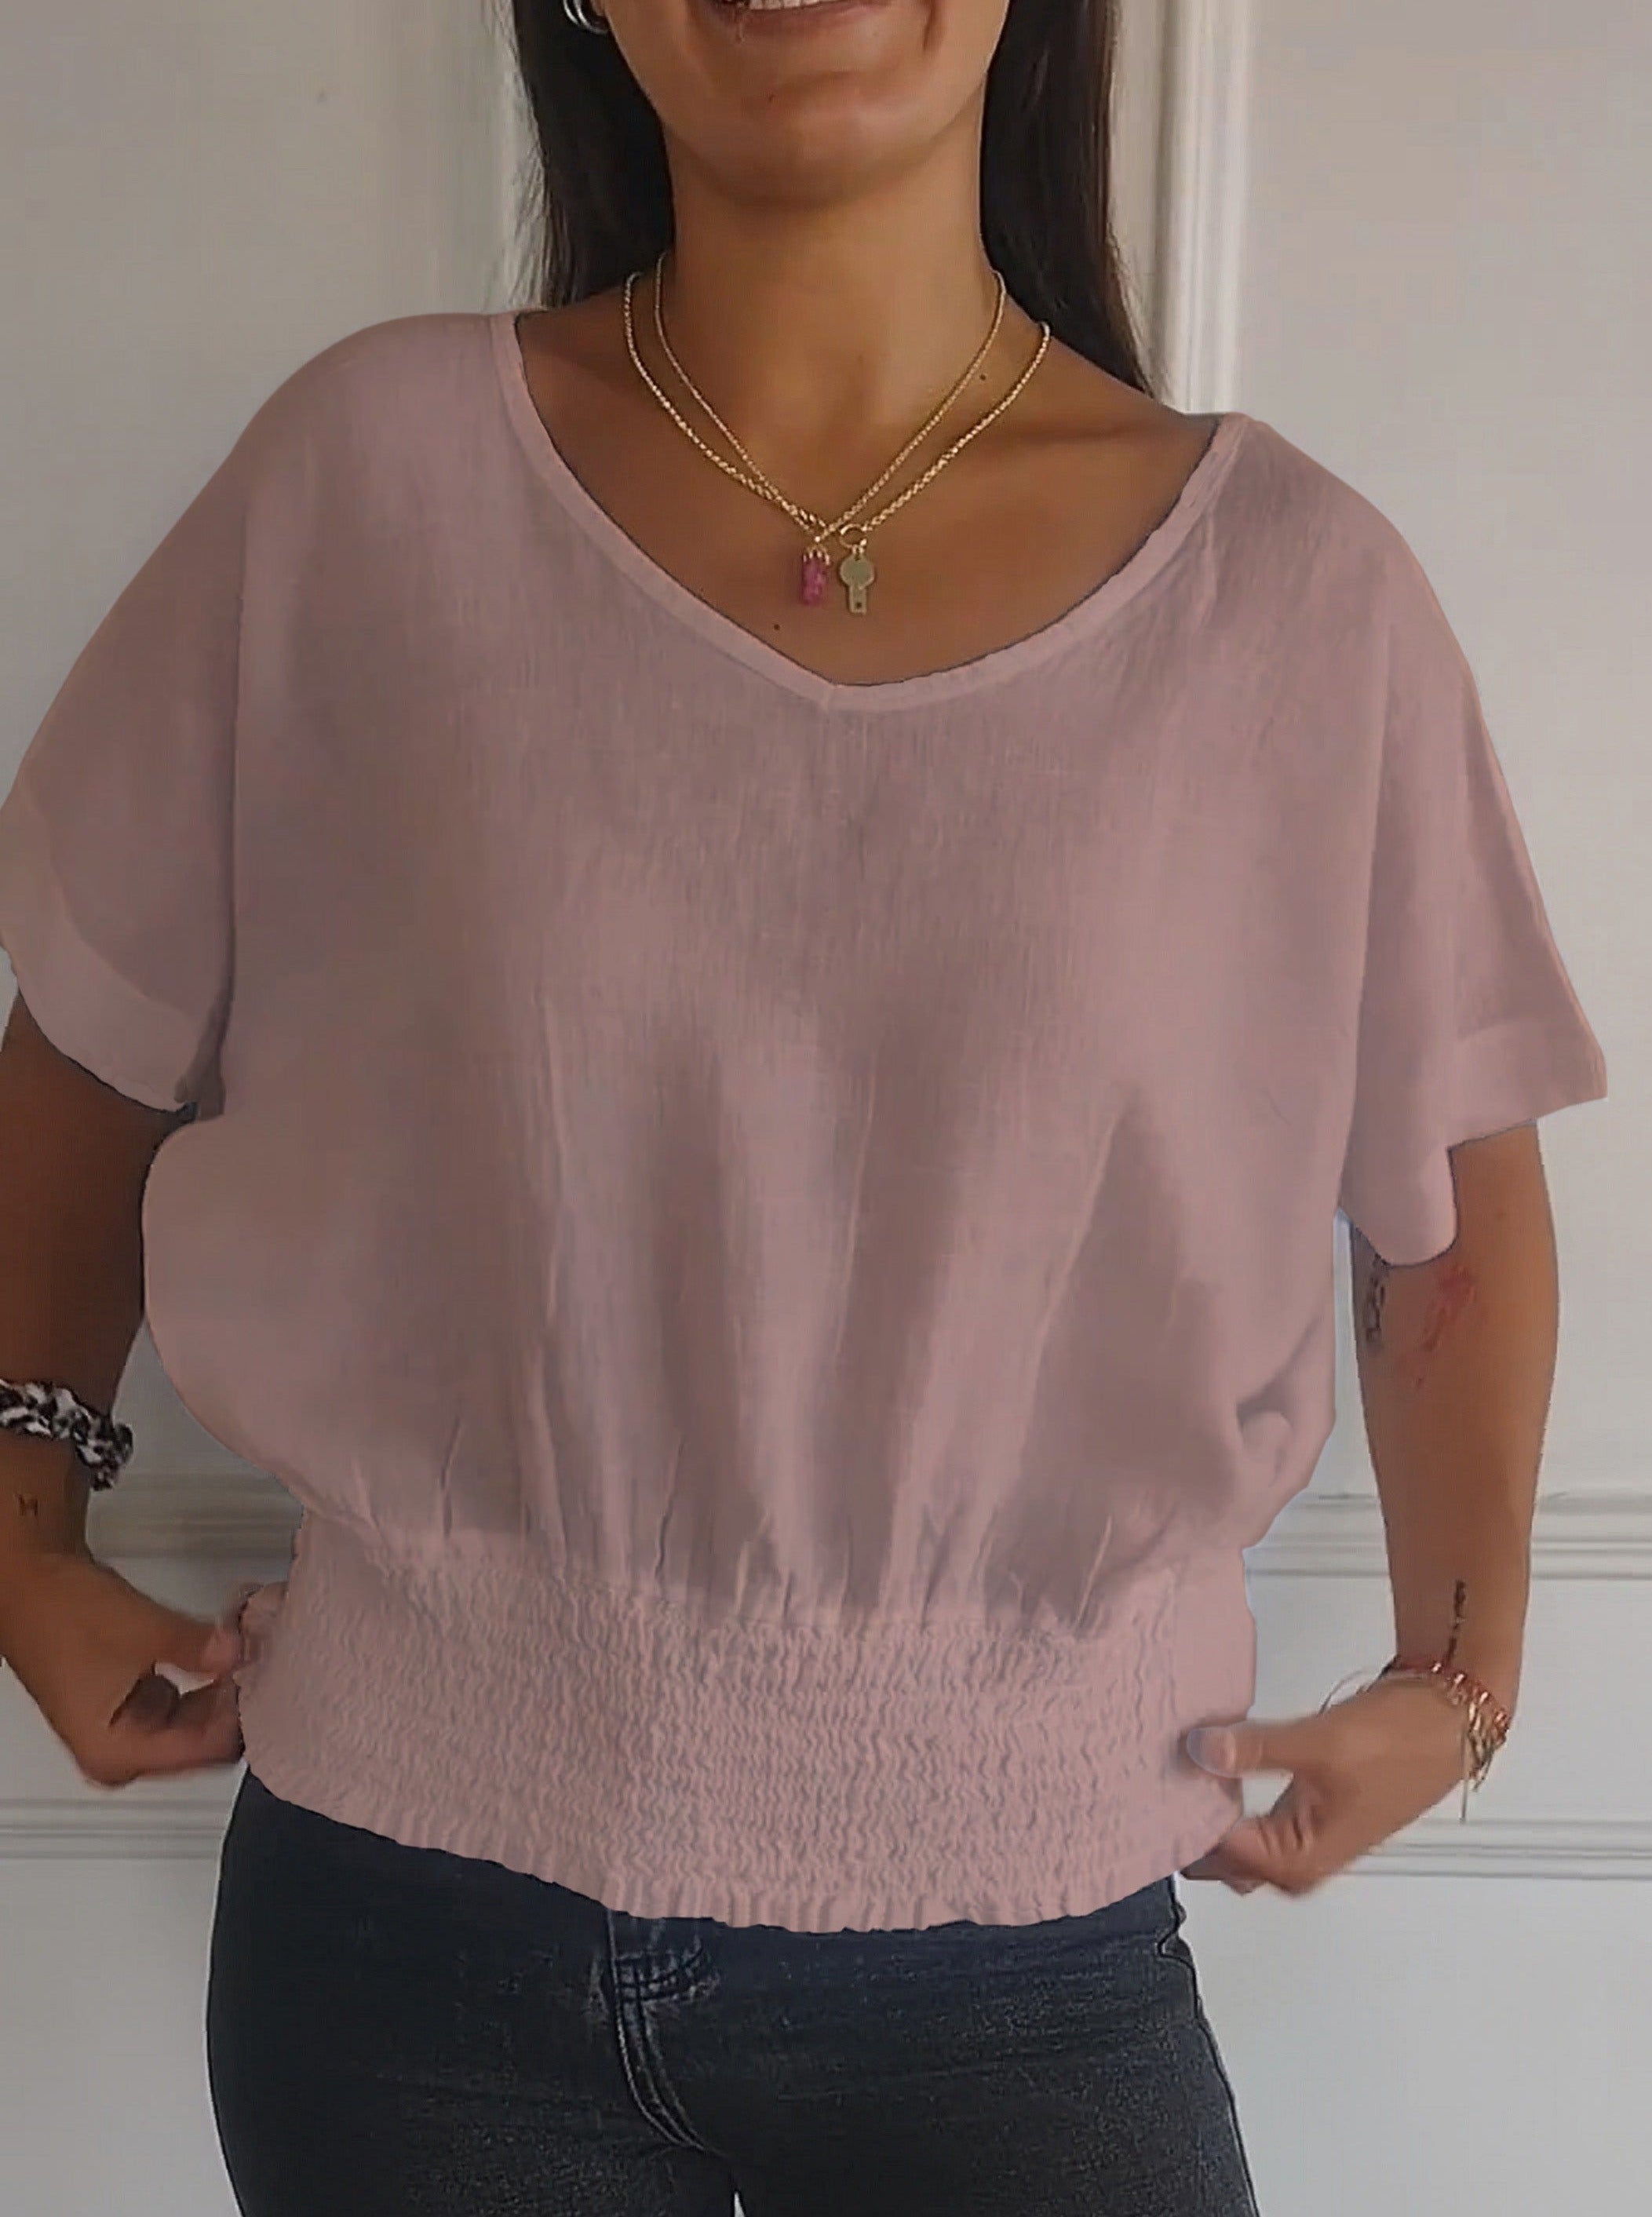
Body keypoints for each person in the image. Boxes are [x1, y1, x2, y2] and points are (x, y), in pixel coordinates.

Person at [0, 2, 1609, 2212]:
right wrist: (16, 1524)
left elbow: (1450, 1202)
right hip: (401, 1943)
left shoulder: (1295, 600)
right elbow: (88, 1037)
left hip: (1032, 1950)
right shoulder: (362, 483)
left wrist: (1463, 1677)